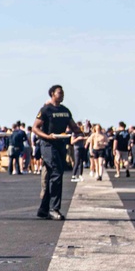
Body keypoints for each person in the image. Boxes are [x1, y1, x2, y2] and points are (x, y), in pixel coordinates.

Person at [33, 85, 81, 220]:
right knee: (56, 172)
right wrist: (47, 136)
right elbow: (35, 128)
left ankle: (43, 209)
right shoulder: (46, 110)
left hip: (61, 144)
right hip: (48, 144)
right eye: (59, 93)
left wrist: (83, 131)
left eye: (63, 92)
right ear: (52, 94)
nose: (62, 95)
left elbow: (74, 127)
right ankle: (54, 209)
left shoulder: (65, 111)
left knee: (52, 176)